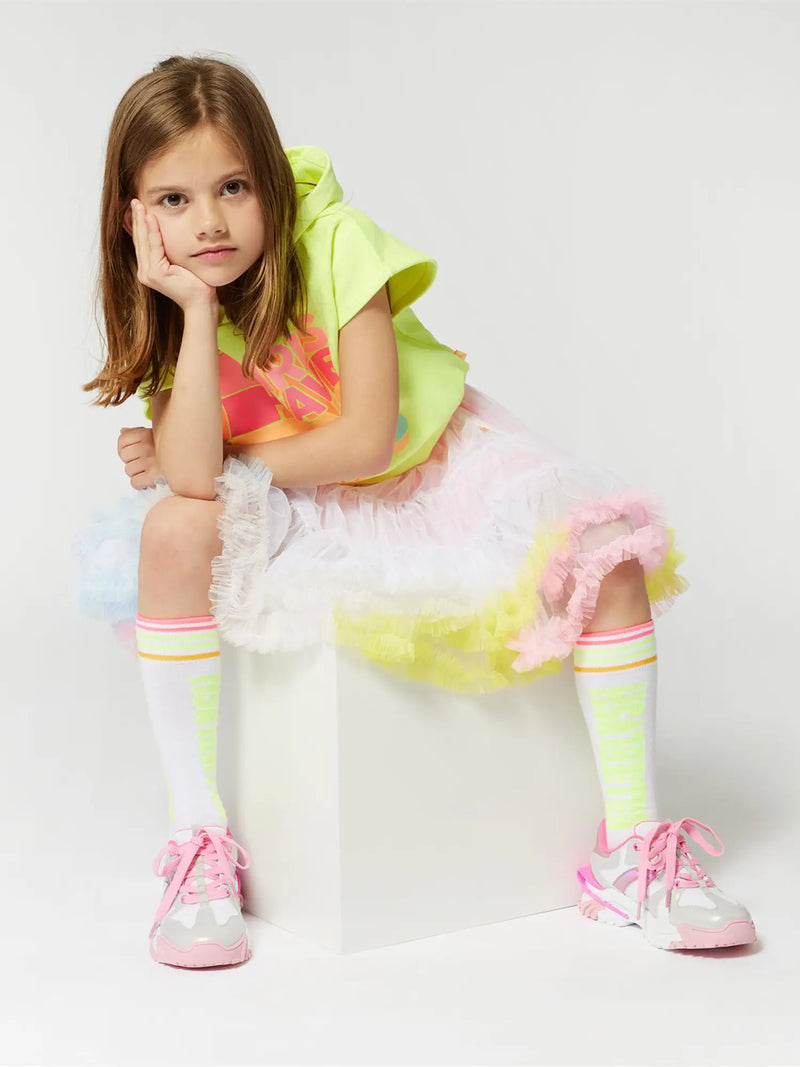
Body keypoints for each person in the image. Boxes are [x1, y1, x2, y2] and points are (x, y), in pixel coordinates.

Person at [74, 52, 756, 969]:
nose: (209, 223)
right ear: (134, 216)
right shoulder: (174, 302)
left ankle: (635, 848)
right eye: (173, 200)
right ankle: (200, 849)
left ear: (269, 178)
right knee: (172, 529)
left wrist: (211, 454)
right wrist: (195, 315)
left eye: (233, 186)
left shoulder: (337, 238)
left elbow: (363, 440)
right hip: (293, 491)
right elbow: (194, 486)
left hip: (427, 466)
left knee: (604, 547)